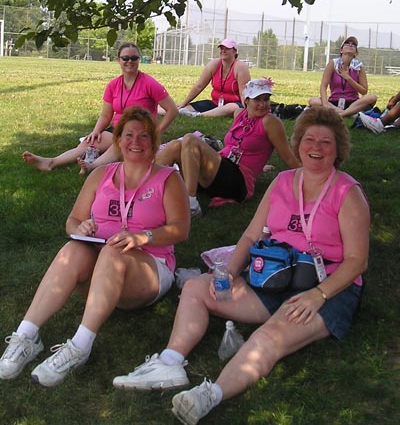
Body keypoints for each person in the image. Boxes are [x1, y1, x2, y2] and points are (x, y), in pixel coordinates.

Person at [111, 106, 370, 425]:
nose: (315, 148)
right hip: (272, 274)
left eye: (325, 142)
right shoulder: (283, 182)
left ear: (338, 149)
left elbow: (358, 261)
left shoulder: (347, 192)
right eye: (309, 140)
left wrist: (318, 295)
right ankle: (170, 362)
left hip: (325, 286)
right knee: (195, 287)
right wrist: (229, 273)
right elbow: (249, 236)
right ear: (298, 143)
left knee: (268, 336)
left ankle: (209, 395)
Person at [0, 107, 190, 387]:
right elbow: (73, 220)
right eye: (128, 135)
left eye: (143, 136)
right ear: (118, 140)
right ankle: (27, 335)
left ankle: (80, 346)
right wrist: (81, 228)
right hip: (99, 267)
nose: (135, 142)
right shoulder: (100, 175)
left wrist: (142, 237)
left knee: (114, 252)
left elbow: (180, 230)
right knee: (72, 249)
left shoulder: (168, 179)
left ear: (153, 142)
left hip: (147, 269)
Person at [22, 43, 178, 173]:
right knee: (90, 142)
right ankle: (50, 162)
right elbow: (105, 115)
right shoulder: (113, 85)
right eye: (125, 58)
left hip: (141, 132)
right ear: (118, 60)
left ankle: (92, 167)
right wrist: (96, 131)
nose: (130, 61)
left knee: (120, 143)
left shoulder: (149, 83)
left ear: (139, 60)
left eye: (134, 58)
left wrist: (156, 132)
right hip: (117, 128)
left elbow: (173, 110)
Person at [156, 78, 300, 217]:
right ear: (246, 101)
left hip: (237, 181)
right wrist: (261, 165)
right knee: (176, 145)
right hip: (222, 170)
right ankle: (145, 186)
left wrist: (306, 175)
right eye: (257, 99)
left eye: (266, 99)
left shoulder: (270, 121)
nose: (262, 104)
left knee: (190, 139)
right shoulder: (240, 114)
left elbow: (286, 155)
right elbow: (237, 147)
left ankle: (191, 204)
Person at [160, 38, 250, 118]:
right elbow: (199, 86)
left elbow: (244, 93)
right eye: (222, 48)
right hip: (215, 103)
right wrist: (184, 103)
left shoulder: (240, 67)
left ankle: (198, 116)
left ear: (234, 51)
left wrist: (248, 111)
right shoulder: (214, 64)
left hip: (235, 104)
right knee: (181, 108)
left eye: (227, 48)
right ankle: (152, 110)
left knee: (231, 107)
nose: (223, 50)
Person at [309, 36, 377, 118]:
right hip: (334, 102)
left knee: (372, 97)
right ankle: (349, 113)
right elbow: (323, 86)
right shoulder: (333, 63)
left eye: (354, 44)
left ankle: (341, 114)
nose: (350, 45)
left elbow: (364, 91)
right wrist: (325, 104)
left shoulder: (359, 66)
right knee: (313, 101)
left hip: (353, 103)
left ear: (356, 52)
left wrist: (348, 78)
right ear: (341, 50)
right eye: (347, 43)